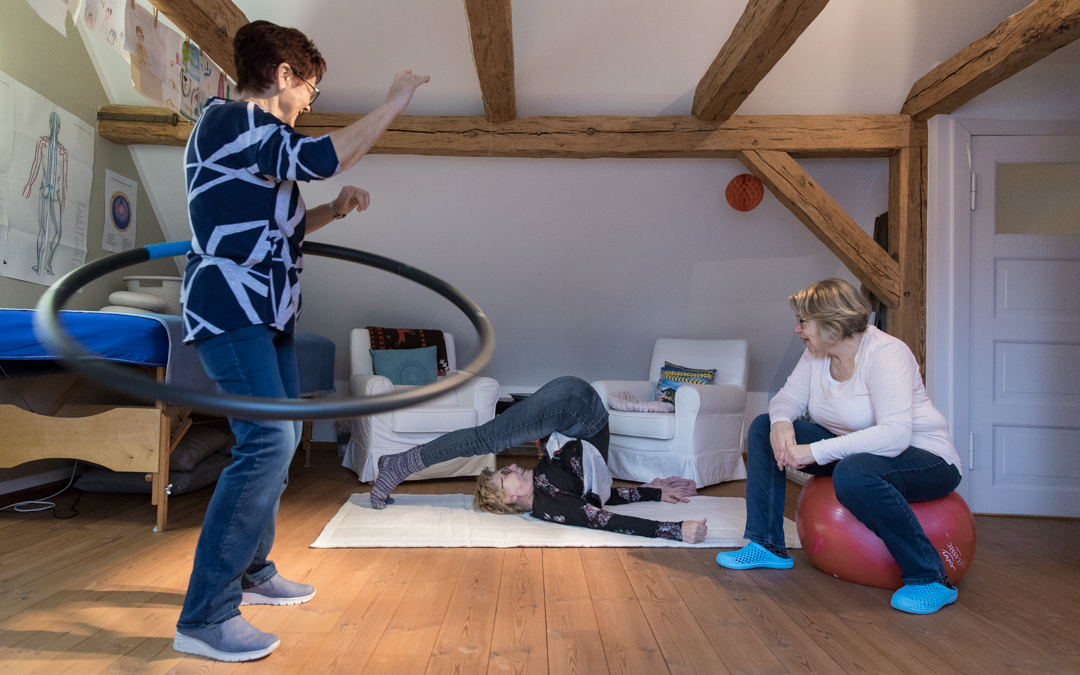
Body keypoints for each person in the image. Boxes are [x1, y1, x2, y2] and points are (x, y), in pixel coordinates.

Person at [173, 20, 429, 662]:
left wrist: (333, 212)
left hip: (269, 313)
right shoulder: (233, 123)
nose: (309, 102)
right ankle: (204, 616)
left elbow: (280, 230)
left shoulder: (259, 147)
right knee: (267, 441)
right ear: (284, 76)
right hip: (230, 308)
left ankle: (253, 574)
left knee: (280, 446)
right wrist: (395, 99)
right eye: (310, 89)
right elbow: (323, 158)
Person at [716, 278, 963, 615]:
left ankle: (931, 577)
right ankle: (766, 544)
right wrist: (782, 423)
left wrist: (814, 452)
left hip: (924, 458)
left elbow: (894, 435)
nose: (796, 329)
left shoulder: (887, 354)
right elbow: (787, 398)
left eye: (803, 322)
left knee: (854, 473)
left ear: (832, 321)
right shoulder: (816, 354)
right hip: (856, 452)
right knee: (763, 427)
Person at [371, 376, 709, 543]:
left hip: (574, 407)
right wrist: (670, 522)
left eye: (506, 469)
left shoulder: (545, 488)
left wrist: (654, 495)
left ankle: (399, 464)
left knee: (487, 437)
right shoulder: (551, 505)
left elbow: (597, 505)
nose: (514, 465)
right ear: (511, 498)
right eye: (506, 474)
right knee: (485, 438)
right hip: (580, 410)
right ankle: (399, 464)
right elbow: (603, 515)